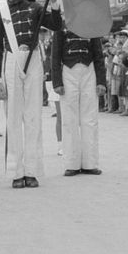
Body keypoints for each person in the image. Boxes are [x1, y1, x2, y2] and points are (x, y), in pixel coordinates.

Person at [0, 0, 62, 189]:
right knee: (13, 118)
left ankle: (32, 170)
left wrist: (55, 0)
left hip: (33, 62)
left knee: (33, 117)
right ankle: (16, 171)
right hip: (12, 62)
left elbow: (56, 25)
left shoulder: (35, 7)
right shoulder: (0, 13)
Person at [51, 25, 107, 176]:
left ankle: (90, 163)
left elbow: (98, 55)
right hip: (68, 72)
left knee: (90, 118)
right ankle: (71, 164)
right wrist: (57, 82)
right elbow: (55, 56)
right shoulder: (60, 28)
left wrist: (101, 81)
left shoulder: (91, 26)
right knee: (69, 119)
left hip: (89, 71)